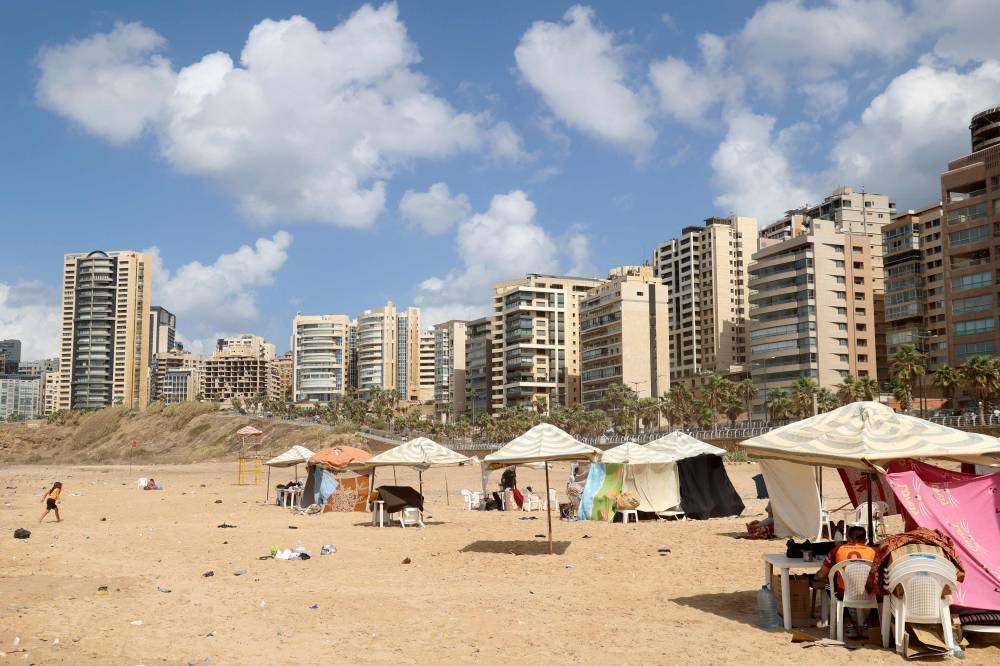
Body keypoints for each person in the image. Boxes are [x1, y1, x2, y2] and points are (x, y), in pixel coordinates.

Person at [815, 526, 876, 638]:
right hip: (868, 593)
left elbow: (822, 574)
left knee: (829, 585)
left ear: (848, 538)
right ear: (865, 540)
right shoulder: (873, 551)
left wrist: (816, 577)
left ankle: (849, 622)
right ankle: (869, 623)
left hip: (844, 593)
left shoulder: (838, 549)